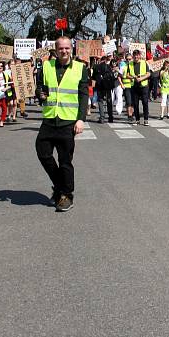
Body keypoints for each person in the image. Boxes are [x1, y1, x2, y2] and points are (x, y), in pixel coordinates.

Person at [35, 36, 89, 212]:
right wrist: (40, 94)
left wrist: (81, 119)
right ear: (55, 50)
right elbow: (40, 88)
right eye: (61, 49)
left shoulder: (81, 68)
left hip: (68, 120)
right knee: (43, 153)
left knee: (65, 161)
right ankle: (60, 187)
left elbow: (83, 95)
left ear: (71, 49)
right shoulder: (46, 66)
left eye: (67, 48)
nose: (64, 51)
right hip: (50, 118)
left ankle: (67, 196)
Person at [125, 50, 150, 126]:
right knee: (135, 104)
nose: (136, 57)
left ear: (139, 55)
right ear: (133, 56)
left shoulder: (144, 63)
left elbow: (148, 74)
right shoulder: (130, 64)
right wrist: (133, 77)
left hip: (143, 85)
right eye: (134, 55)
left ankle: (146, 119)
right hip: (134, 86)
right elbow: (127, 75)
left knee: (145, 102)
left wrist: (141, 78)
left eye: (137, 55)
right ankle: (137, 119)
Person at [91, 54, 115, 124]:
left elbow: (94, 78)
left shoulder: (96, 67)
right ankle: (110, 117)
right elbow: (113, 77)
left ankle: (102, 118)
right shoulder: (109, 67)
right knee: (109, 101)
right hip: (108, 87)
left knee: (100, 101)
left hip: (100, 86)